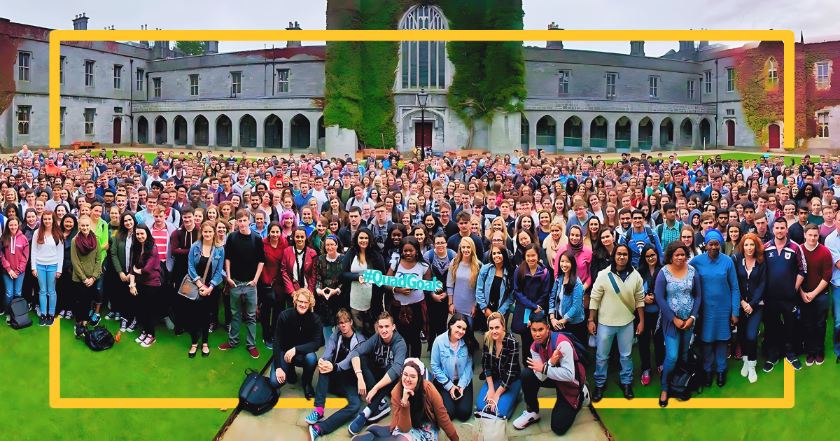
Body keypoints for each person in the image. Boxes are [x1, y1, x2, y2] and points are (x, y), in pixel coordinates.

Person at [513, 311, 589, 436]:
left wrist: (544, 368)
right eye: (534, 330)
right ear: (530, 328)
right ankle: (533, 412)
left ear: (548, 328)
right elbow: (540, 377)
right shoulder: (534, 347)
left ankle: (582, 393)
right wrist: (549, 364)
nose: (537, 334)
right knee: (527, 374)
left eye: (541, 329)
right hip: (554, 376)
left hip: (570, 383)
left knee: (558, 427)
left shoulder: (562, 344)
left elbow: (569, 375)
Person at [351, 358, 459, 441]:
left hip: (427, 427)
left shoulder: (429, 389)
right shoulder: (396, 391)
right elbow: (404, 428)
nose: (407, 379)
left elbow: (442, 416)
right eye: (405, 375)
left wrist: (455, 439)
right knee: (401, 439)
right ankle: (373, 438)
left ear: (419, 378)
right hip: (405, 425)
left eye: (413, 376)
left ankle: (380, 433)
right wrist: (404, 402)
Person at [589, 243, 644, 401]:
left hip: (627, 323)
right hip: (605, 323)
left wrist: (642, 321)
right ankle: (600, 384)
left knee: (626, 355)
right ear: (614, 256)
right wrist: (591, 319)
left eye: (625, 254)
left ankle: (626, 383)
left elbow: (640, 300)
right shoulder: (603, 274)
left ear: (629, 257)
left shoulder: (635, 276)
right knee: (601, 356)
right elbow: (594, 298)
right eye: (619, 254)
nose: (622, 257)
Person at [690, 229, 740, 388]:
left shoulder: (728, 261)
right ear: (706, 245)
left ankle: (720, 370)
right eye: (710, 244)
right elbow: (682, 272)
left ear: (720, 244)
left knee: (722, 340)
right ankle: (708, 370)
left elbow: (735, 288)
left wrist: (735, 312)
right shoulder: (697, 261)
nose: (713, 247)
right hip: (704, 311)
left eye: (716, 244)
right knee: (706, 341)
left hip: (724, 309)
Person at [306, 309, 367, 440]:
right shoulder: (336, 334)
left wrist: (332, 366)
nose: (343, 325)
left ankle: (319, 428)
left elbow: (348, 361)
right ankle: (319, 411)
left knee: (355, 405)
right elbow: (329, 350)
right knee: (324, 367)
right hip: (334, 376)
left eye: (346, 322)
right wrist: (323, 360)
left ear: (351, 322)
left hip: (348, 380)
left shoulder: (359, 340)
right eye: (340, 323)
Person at [344, 312, 408, 436]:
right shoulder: (376, 338)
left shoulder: (400, 343)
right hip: (379, 375)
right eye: (381, 327)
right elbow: (356, 352)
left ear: (393, 327)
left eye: (387, 326)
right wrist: (360, 376)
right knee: (362, 358)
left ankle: (367, 411)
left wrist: (374, 389)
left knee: (394, 371)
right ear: (377, 327)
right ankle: (380, 403)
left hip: (392, 380)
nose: (384, 330)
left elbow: (396, 369)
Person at [655, 241, 702, 407]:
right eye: (677, 255)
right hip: (671, 322)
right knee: (672, 356)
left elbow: (697, 296)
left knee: (684, 354)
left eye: (683, 254)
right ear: (671, 256)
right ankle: (665, 387)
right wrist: (673, 319)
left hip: (689, 321)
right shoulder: (664, 273)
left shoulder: (692, 271)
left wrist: (692, 318)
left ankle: (680, 382)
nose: (680, 257)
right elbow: (659, 297)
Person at [219, 209, 266, 359]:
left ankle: (251, 345)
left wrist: (256, 280)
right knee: (235, 314)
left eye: (245, 221)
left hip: (251, 284)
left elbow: (261, 261)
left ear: (249, 221)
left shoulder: (256, 239)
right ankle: (233, 341)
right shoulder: (232, 237)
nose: (242, 224)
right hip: (235, 282)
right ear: (237, 222)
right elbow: (228, 258)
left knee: (251, 316)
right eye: (240, 221)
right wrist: (229, 277)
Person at [763, 219, 806, 372]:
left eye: (782, 228)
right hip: (771, 298)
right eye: (777, 228)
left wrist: (793, 287)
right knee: (772, 327)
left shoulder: (795, 247)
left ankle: (791, 353)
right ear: (772, 230)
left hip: (790, 298)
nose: (780, 231)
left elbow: (802, 270)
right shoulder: (765, 248)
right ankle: (773, 355)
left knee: (791, 327)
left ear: (787, 229)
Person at [272, 288, 325, 400]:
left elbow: (316, 343)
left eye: (306, 302)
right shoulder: (284, 316)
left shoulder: (315, 319)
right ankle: (290, 369)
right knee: (274, 382)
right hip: (284, 351)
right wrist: (278, 367)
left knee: (312, 358)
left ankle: (307, 383)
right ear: (295, 301)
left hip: (302, 353)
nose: (303, 304)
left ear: (310, 304)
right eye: (300, 301)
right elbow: (276, 341)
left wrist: (295, 349)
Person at [384, 236, 430, 358]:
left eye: (411, 250)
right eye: (405, 251)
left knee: (415, 338)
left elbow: (428, 284)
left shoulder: (423, 265)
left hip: (417, 308)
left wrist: (416, 287)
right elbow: (386, 282)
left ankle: (415, 365)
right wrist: (397, 289)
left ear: (416, 251)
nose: (408, 253)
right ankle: (402, 364)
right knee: (402, 338)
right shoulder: (396, 263)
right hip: (398, 307)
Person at [186, 220, 226, 358]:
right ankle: (194, 343)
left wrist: (210, 288)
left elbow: (219, 271)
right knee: (193, 315)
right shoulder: (195, 247)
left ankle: (204, 343)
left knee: (206, 316)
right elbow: (190, 266)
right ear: (201, 232)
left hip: (210, 289)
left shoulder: (220, 248)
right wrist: (199, 284)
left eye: (210, 231)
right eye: (205, 231)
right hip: (195, 287)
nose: (207, 234)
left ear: (214, 232)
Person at [732, 233, 766, 383]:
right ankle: (746, 360)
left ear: (756, 245)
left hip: (756, 305)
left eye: (752, 244)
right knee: (742, 335)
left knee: (752, 335)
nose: (749, 248)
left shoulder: (761, 261)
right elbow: (734, 283)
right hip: (740, 305)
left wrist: (751, 303)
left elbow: (762, 284)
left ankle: (752, 365)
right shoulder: (736, 259)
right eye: (746, 245)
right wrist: (742, 302)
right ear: (742, 246)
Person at [430, 314, 476, 422]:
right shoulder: (439, 341)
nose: (461, 331)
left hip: (462, 380)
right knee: (448, 413)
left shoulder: (467, 341)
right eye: (458, 327)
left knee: (464, 413)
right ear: (451, 325)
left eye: (464, 329)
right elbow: (435, 366)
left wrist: (461, 385)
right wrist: (450, 386)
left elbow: (469, 365)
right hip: (444, 381)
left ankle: (458, 398)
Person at [512, 244, 553, 365]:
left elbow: (545, 293)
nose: (530, 258)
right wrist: (533, 306)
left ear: (538, 256)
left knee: (538, 337)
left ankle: (540, 363)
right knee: (525, 338)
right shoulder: (519, 270)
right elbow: (517, 292)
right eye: (528, 256)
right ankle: (527, 364)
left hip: (538, 310)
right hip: (524, 309)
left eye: (533, 255)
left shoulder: (544, 272)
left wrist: (538, 306)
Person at [341, 228, 386, 338]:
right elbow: (343, 273)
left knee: (370, 330)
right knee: (358, 330)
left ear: (370, 240)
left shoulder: (377, 256)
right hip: (354, 299)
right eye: (361, 238)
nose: (363, 240)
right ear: (356, 239)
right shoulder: (351, 253)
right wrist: (357, 277)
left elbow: (382, 277)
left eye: (366, 238)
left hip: (371, 300)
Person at [477, 312, 522, 419]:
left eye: (497, 327)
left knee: (500, 412)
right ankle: (503, 396)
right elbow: (485, 365)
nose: (494, 331)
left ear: (503, 327)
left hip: (510, 381)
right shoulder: (488, 339)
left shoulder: (512, 343)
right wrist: (491, 389)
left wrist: (497, 395)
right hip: (494, 378)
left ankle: (516, 395)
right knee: (481, 407)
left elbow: (510, 373)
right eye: (491, 328)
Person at [800, 224, 832, 366]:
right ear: (805, 235)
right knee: (807, 324)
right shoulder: (798, 250)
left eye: (816, 235)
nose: (813, 238)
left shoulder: (825, 252)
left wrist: (814, 293)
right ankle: (810, 351)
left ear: (819, 235)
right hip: (803, 295)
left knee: (820, 324)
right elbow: (795, 274)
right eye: (810, 235)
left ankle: (819, 350)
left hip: (821, 295)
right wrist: (802, 292)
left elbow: (827, 276)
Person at [128, 224, 162, 347]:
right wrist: (132, 284)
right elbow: (131, 266)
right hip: (140, 283)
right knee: (140, 309)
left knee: (148, 310)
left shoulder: (153, 247)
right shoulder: (135, 248)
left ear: (147, 233)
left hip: (152, 284)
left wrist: (137, 271)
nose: (140, 236)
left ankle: (151, 335)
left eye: (142, 233)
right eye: (137, 234)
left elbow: (147, 270)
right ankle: (145, 331)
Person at [70, 215, 102, 334]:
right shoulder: (75, 240)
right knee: (80, 301)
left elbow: (98, 259)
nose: (85, 227)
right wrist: (84, 278)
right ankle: (79, 323)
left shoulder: (96, 239)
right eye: (82, 225)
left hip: (92, 277)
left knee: (89, 301)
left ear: (90, 225)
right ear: (79, 226)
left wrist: (93, 277)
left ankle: (85, 323)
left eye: (87, 225)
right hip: (80, 278)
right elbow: (75, 261)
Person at [549, 250, 587, 346]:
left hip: (574, 325)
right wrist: (552, 317)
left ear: (572, 264)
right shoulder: (558, 280)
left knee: (576, 352)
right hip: (560, 321)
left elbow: (576, 307)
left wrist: (563, 320)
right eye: (562, 261)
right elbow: (552, 298)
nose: (564, 264)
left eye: (567, 262)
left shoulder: (577, 283)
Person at [31, 211, 63, 327]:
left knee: (52, 291)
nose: (47, 221)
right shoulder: (37, 233)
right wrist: (33, 267)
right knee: (42, 290)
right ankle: (43, 314)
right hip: (39, 265)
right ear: (42, 220)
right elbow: (33, 251)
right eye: (45, 219)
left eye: (49, 219)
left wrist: (59, 269)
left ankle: (51, 314)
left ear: (53, 220)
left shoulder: (58, 233)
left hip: (53, 265)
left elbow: (60, 253)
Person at [425, 232, 456, 351]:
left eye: (442, 242)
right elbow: (425, 277)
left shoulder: (452, 255)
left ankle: (443, 346)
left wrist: (448, 294)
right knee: (432, 320)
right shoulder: (428, 256)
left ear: (446, 243)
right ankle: (432, 345)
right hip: (432, 292)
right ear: (433, 244)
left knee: (443, 321)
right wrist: (432, 294)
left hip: (446, 292)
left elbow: (455, 276)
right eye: (437, 243)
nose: (440, 245)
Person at [260, 222, 288, 350]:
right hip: (266, 280)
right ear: (269, 232)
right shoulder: (262, 243)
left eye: (277, 232)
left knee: (279, 309)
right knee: (266, 311)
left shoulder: (285, 243)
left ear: (280, 233)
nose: (275, 234)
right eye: (273, 232)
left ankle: (275, 333)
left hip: (280, 281)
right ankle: (266, 335)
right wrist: (265, 278)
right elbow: (260, 262)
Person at [314, 235, 347, 340]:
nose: (330, 247)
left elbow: (345, 278)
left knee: (340, 321)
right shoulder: (321, 259)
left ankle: (339, 345)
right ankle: (329, 347)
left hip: (339, 296)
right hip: (325, 296)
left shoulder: (343, 258)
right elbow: (318, 277)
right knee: (326, 323)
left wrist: (337, 290)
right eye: (327, 245)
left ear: (336, 245)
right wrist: (319, 290)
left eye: (332, 244)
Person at [447, 237, 480, 327]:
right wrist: (450, 304)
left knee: (468, 334)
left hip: (470, 308)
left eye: (468, 247)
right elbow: (450, 285)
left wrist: (475, 306)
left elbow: (479, 288)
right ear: (460, 248)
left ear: (472, 248)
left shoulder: (478, 265)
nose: (466, 250)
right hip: (456, 306)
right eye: (463, 247)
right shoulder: (454, 263)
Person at [476, 245, 515, 322]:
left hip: (501, 312)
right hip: (484, 311)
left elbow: (511, 296)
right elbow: (479, 290)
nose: (496, 255)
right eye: (494, 253)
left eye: (499, 253)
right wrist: (484, 308)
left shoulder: (511, 273)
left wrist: (499, 312)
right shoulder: (485, 269)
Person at [281, 227, 318, 306]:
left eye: (302, 237)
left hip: (307, 290)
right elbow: (284, 272)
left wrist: (310, 293)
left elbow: (313, 274)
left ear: (305, 238)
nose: (300, 239)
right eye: (297, 237)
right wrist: (292, 292)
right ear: (293, 237)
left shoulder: (312, 253)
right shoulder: (286, 251)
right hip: (292, 291)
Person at [1, 217, 29, 318]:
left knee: (18, 292)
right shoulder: (4, 238)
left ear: (18, 226)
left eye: (15, 225)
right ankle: (9, 312)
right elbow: (1, 255)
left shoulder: (24, 238)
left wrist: (18, 271)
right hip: (6, 271)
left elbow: (25, 257)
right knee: (9, 293)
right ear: (8, 226)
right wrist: (9, 269)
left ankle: (16, 313)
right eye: (11, 225)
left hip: (19, 272)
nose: (13, 227)